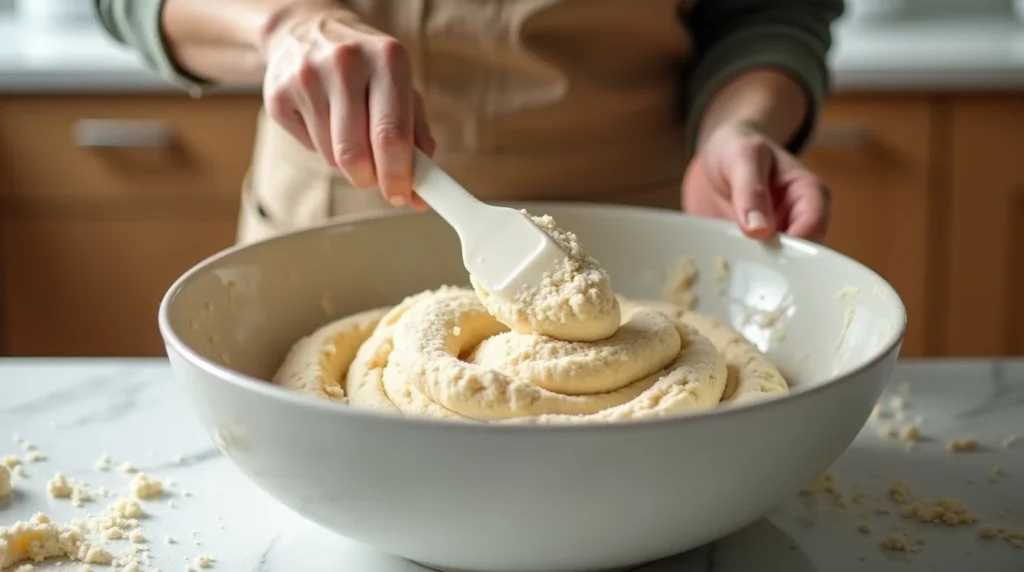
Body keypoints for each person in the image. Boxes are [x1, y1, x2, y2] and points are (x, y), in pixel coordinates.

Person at [95, 0, 842, 246]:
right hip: (329, 226)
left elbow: (766, 12)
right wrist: (283, 23)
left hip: (640, 236)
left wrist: (737, 127)